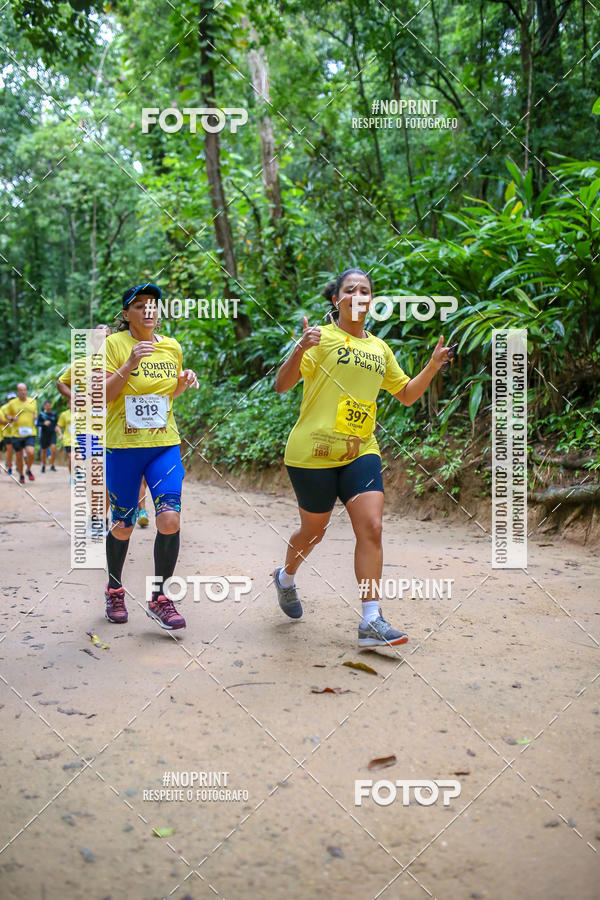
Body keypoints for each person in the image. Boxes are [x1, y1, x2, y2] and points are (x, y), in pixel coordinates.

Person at [273, 268, 454, 649]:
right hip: (312, 453)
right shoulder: (319, 339)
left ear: (371, 301)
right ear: (336, 299)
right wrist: (300, 348)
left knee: (371, 526)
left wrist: (433, 365)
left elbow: (405, 393)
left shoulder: (380, 349)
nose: (358, 294)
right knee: (314, 532)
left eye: (365, 290)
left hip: (361, 451)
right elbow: (282, 384)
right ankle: (286, 576)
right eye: (350, 289)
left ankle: (371, 618)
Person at [102, 283, 198, 630]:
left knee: (169, 518)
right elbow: (104, 395)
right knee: (124, 524)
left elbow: (168, 394)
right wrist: (129, 363)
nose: (148, 310)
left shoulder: (172, 347)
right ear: (126, 314)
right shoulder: (113, 345)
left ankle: (160, 597)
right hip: (124, 449)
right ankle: (114, 588)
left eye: (153, 304)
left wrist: (184, 381)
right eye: (139, 305)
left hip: (164, 446)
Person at [4, 384, 37, 484]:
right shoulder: (12, 403)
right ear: (18, 392)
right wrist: (11, 418)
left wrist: (35, 416)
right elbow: (6, 414)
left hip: (30, 432)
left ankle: (28, 469)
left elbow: (35, 412)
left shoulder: (33, 401)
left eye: (25, 390)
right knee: (19, 456)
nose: (23, 392)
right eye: (21, 390)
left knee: (30, 452)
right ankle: (22, 474)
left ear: (27, 391)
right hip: (16, 434)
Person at [37, 400, 58, 472]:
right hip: (44, 435)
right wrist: (44, 423)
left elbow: (56, 424)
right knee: (44, 451)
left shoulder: (54, 414)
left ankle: (52, 464)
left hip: (52, 434)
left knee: (53, 449)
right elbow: (37, 424)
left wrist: (59, 432)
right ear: (44, 406)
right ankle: (43, 465)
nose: (48, 406)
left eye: (49, 405)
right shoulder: (41, 415)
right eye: (47, 405)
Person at [0, 391, 17, 474]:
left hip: (18, 433)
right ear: (8, 399)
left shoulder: (19, 407)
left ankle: (17, 465)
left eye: (13, 398)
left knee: (17, 450)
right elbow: (2, 420)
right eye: (11, 398)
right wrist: (9, 422)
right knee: (9, 450)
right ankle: (9, 466)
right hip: (7, 433)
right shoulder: (4, 408)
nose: (12, 400)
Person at [56, 400, 73, 473]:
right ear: (68, 404)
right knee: (71, 458)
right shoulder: (64, 414)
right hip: (68, 440)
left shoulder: (83, 413)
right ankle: (72, 475)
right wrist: (60, 434)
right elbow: (58, 426)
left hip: (81, 439)